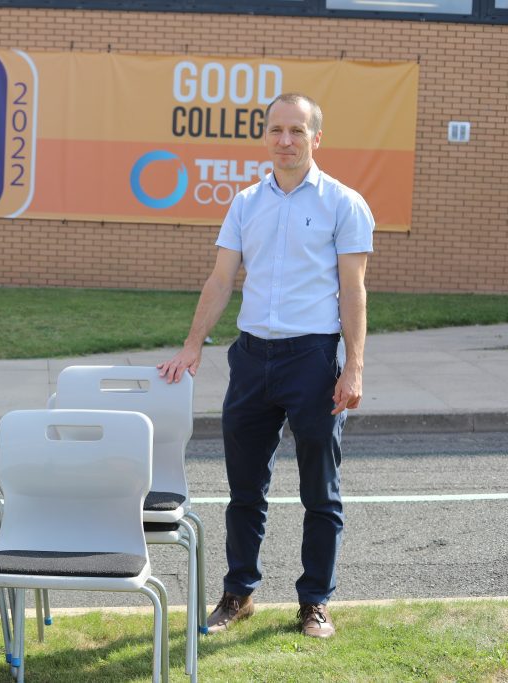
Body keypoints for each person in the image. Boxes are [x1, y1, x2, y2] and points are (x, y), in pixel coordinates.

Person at [158, 93, 373, 639]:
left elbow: (353, 291)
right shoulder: (246, 203)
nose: (285, 140)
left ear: (316, 138)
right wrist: (192, 344)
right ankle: (239, 593)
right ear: (265, 136)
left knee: (320, 491)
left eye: (297, 131)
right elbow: (221, 279)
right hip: (252, 359)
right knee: (244, 490)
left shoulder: (343, 203)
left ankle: (315, 602)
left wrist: (353, 366)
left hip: (313, 360)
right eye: (277, 129)